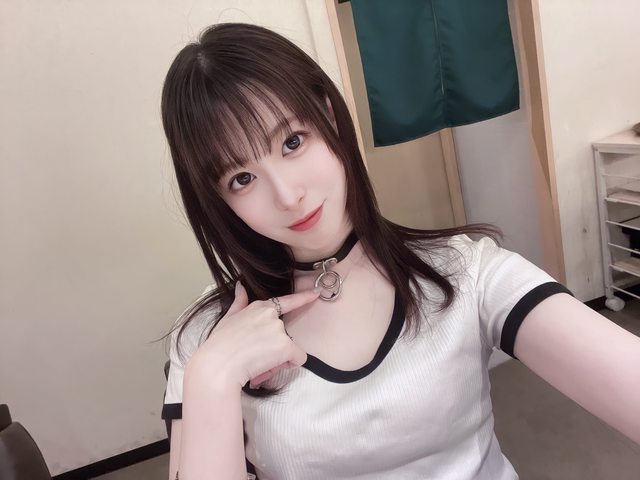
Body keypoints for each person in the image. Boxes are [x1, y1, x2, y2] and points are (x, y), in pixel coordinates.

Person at [160, 23, 640, 480]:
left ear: (329, 116)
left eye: (292, 142)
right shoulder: (206, 338)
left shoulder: (464, 273)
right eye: (242, 178)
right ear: (218, 198)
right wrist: (212, 379)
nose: (287, 196)